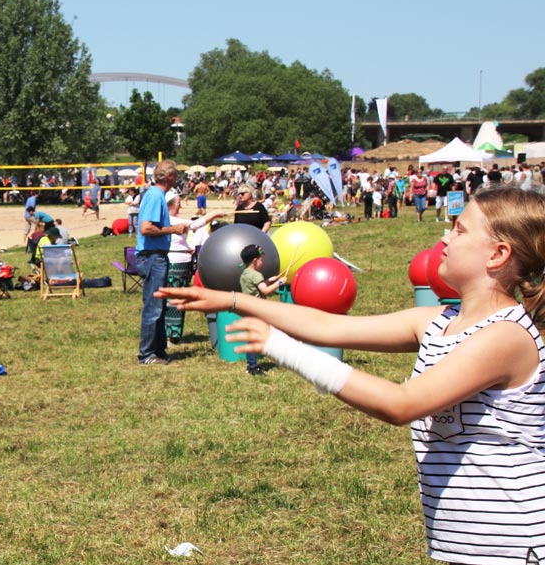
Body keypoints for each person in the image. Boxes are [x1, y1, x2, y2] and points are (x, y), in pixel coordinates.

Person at [158, 186, 545, 565]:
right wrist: (233, 300)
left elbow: (401, 404)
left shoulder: (506, 336)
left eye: (459, 230)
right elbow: (327, 327)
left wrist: (281, 347)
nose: (445, 238)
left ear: (498, 254)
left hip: (514, 541)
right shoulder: (438, 322)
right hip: (468, 541)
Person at [136, 159, 189, 365]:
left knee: (159, 305)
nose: (176, 179)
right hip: (152, 256)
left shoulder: (156, 195)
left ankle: (159, 350)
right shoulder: (155, 196)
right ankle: (147, 354)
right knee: (153, 307)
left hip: (157, 256)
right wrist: (173, 229)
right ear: (170, 177)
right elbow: (146, 228)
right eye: (175, 175)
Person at [164, 189, 225, 347]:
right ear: (171, 205)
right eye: (178, 203)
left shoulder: (172, 219)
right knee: (174, 298)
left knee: (180, 298)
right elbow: (194, 225)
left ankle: (174, 333)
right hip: (175, 263)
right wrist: (214, 214)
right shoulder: (169, 220)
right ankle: (171, 334)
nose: (180, 207)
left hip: (183, 262)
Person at [238, 244, 287, 375]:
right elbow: (265, 290)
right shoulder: (256, 275)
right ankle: (253, 367)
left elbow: (259, 284)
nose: (262, 263)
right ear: (254, 261)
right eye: (261, 260)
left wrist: (271, 280)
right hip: (256, 311)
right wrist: (280, 283)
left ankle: (251, 365)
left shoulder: (245, 273)